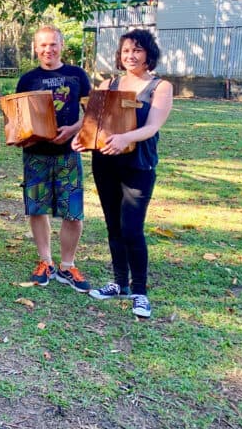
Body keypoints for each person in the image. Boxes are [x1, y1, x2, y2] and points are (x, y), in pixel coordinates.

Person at [72, 29, 173, 318]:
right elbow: (93, 122)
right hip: (105, 163)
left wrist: (126, 138)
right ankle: (119, 283)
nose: (131, 55)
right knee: (113, 226)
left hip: (138, 165)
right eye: (126, 50)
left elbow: (151, 127)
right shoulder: (108, 83)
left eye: (137, 50)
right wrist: (82, 138)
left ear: (148, 54)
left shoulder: (160, 87)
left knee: (132, 229)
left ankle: (139, 291)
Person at [16, 26, 91, 292]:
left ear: (61, 46)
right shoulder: (27, 80)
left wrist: (74, 129)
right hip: (36, 155)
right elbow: (18, 118)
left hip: (69, 154)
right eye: (43, 45)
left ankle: (67, 265)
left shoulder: (77, 75)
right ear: (35, 48)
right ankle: (45, 261)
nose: (48, 50)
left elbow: (91, 113)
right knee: (37, 208)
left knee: (73, 212)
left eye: (53, 44)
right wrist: (24, 135)